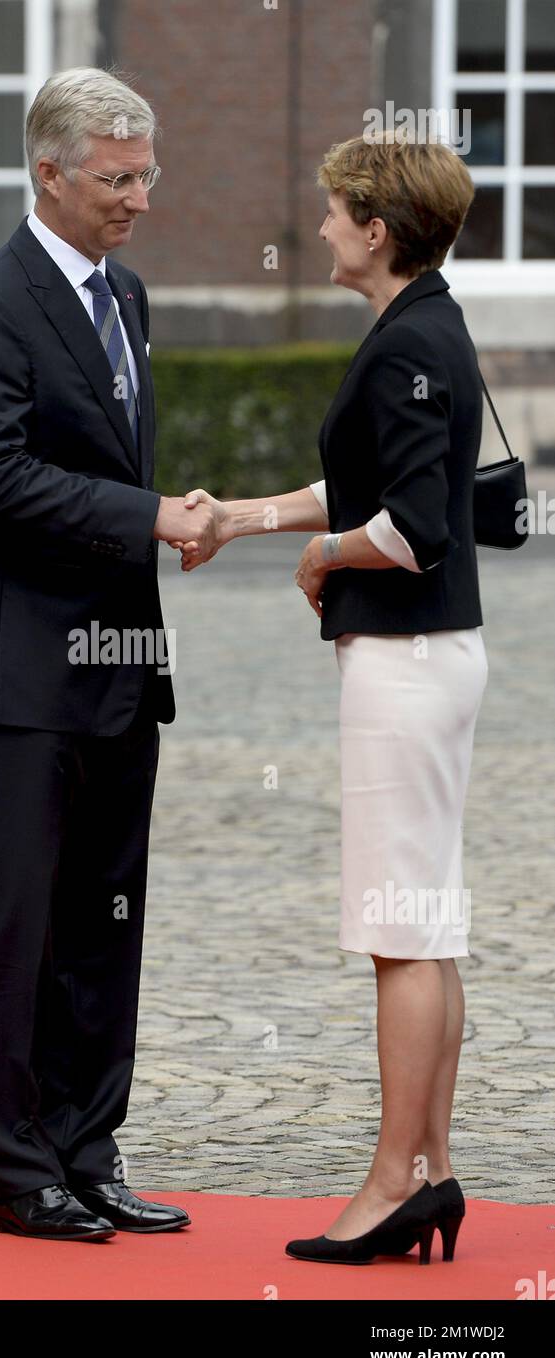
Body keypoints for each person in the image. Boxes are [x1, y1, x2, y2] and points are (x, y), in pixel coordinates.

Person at [179, 132, 485, 1265]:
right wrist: (244, 519)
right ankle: (431, 1168)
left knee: (399, 932)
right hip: (433, 657)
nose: (316, 229)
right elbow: (361, 484)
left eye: (332, 212)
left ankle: (393, 1180)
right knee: (426, 928)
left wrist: (324, 561)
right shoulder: (422, 325)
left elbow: (410, 526)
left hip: (404, 662)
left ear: (376, 227)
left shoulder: (409, 343)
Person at [0, 66, 223, 1240]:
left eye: (147, 173)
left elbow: (106, 468)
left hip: (114, 665)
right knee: (16, 927)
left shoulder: (130, 294)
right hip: (15, 676)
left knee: (106, 919)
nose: (138, 197)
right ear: (46, 174)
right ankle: (15, 1170)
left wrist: (167, 521)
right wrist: (146, 514)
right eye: (116, 178)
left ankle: (88, 1150)